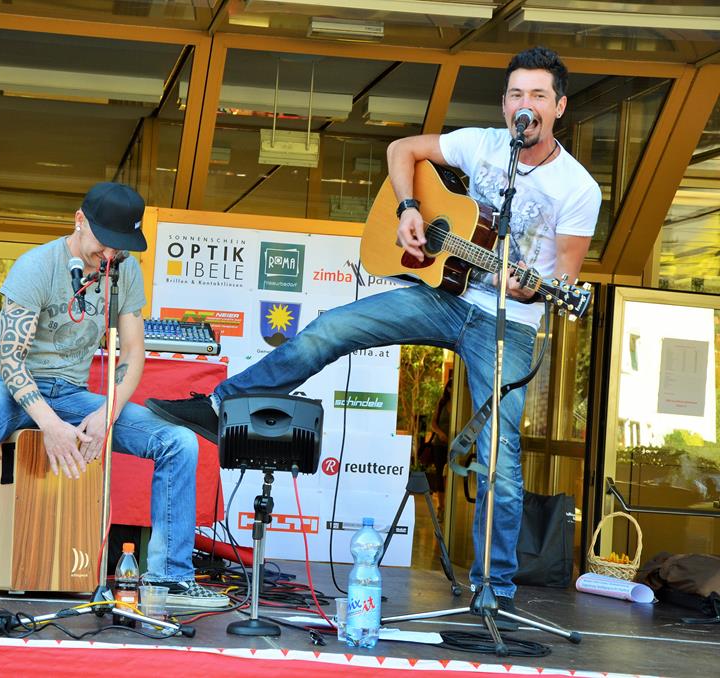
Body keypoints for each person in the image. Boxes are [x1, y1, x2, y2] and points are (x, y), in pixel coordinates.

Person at [146, 47, 601, 622]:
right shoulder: (482, 144)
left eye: (537, 95)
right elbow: (400, 149)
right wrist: (410, 209)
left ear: (558, 106)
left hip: (506, 321)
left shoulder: (577, 188)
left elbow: (561, 281)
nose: (524, 104)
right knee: (330, 329)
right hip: (443, 295)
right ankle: (220, 404)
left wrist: (529, 289)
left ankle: (495, 590)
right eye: (516, 94)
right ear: (505, 104)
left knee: (498, 458)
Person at [0, 182, 228, 613]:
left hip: (72, 392)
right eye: (104, 242)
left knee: (178, 442)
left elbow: (133, 353)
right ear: (79, 220)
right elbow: (11, 359)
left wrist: (109, 411)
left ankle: (170, 578)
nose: (109, 254)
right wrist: (50, 425)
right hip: (8, 388)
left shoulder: (124, 269)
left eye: (119, 246)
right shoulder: (36, 267)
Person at [423, 378, 453, 521]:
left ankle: (450, 507)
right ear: (448, 389)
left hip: (455, 446)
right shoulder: (442, 403)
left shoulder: (461, 404)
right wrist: (441, 433)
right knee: (440, 474)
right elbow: (433, 423)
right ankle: (441, 507)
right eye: (451, 387)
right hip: (440, 445)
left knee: (451, 476)